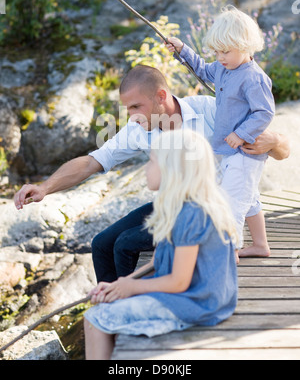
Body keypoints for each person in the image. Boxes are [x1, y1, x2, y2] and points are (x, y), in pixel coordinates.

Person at [13, 65, 289, 280]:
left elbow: (280, 149)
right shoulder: (137, 129)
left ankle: (130, 301)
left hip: (207, 212)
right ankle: (110, 307)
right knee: (100, 244)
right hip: (172, 203)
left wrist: (275, 142)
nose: (132, 115)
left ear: (161, 97)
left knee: (126, 244)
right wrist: (45, 187)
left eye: (136, 106)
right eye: (127, 109)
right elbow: (92, 162)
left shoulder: (211, 110)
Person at [84, 129, 238, 360]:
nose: (146, 169)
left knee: (94, 320)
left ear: (172, 170)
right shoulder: (177, 208)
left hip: (197, 303)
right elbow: (158, 262)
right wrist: (122, 284)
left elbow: (178, 281)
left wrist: (132, 289)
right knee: (107, 306)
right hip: (193, 296)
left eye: (152, 162)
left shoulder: (193, 213)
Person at [166, 5, 275, 260]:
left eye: (225, 51)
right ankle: (260, 245)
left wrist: (242, 134)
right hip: (229, 150)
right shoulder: (224, 68)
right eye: (217, 51)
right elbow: (203, 70)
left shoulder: (253, 78)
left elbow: (265, 113)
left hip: (246, 151)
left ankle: (230, 251)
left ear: (245, 46)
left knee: (231, 201)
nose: (220, 57)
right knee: (249, 198)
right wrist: (182, 50)